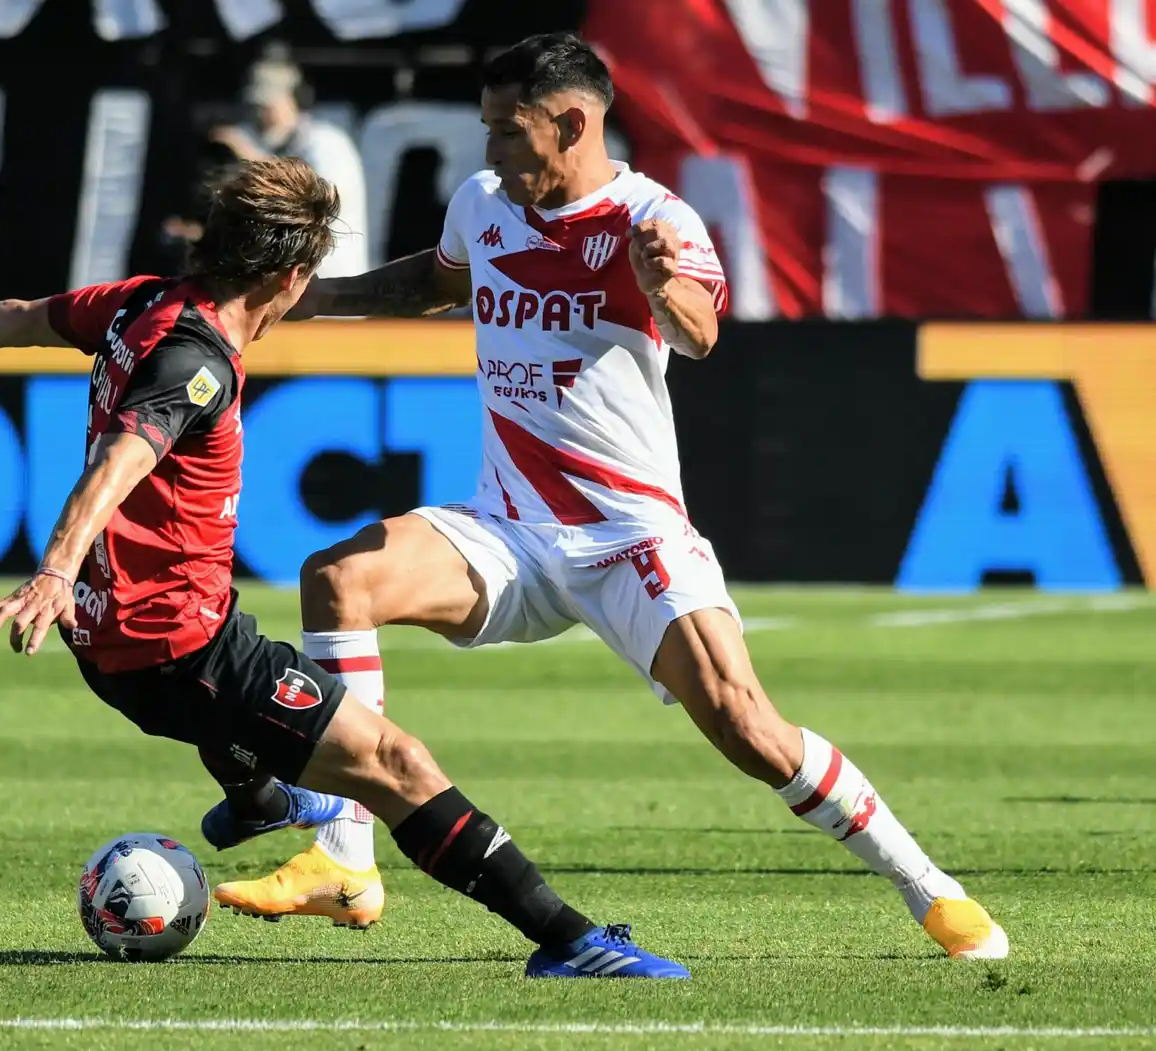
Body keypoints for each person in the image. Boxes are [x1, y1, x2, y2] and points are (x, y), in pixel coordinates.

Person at [207, 35, 1010, 962]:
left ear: (573, 122)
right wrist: (296, 300)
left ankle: (929, 886)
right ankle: (345, 859)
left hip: (628, 536)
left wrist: (664, 285)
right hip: (504, 529)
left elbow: (701, 334)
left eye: (508, 133)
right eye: (488, 132)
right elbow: (431, 283)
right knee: (338, 579)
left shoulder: (652, 218)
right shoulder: (484, 205)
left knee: (750, 726)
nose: (491, 154)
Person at [0, 157, 686, 980]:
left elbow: (21, 313)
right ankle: (570, 941)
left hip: (124, 643)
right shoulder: (195, 367)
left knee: (265, 688)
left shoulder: (141, 303)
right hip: (179, 651)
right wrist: (53, 566)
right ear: (288, 279)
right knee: (397, 764)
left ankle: (259, 792)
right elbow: (121, 460)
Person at [208, 50, 368, 278]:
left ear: (294, 98)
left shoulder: (327, 143)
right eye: (257, 107)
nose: (261, 115)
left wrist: (250, 157)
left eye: (268, 105)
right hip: (291, 292)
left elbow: (321, 201)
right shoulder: (274, 146)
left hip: (333, 291)